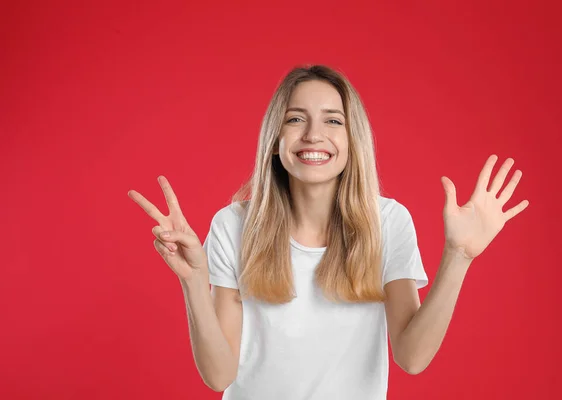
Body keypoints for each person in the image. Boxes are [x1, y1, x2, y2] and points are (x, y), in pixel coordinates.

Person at [127, 65, 529, 400]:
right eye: (295, 118)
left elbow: (412, 356)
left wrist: (458, 255)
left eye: (333, 120)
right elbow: (218, 376)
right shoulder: (232, 225)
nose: (313, 135)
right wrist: (194, 280)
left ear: (353, 140)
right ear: (274, 140)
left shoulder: (388, 221)